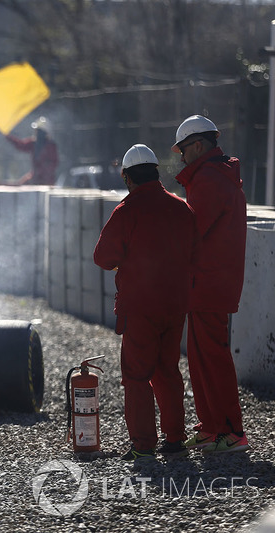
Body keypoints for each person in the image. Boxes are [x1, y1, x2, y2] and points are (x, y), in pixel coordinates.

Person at [94, 144, 198, 461]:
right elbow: (196, 252)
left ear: (127, 177)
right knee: (168, 370)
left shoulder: (127, 211)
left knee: (137, 375)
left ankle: (143, 444)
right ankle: (176, 439)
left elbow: (103, 257)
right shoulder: (182, 208)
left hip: (140, 306)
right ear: (156, 172)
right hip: (176, 303)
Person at [171, 115, 249, 453]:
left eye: (184, 151)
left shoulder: (209, 179)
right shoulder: (214, 176)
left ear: (198, 146)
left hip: (209, 282)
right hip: (209, 282)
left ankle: (231, 431)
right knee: (201, 357)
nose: (182, 158)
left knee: (211, 357)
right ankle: (211, 426)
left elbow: (190, 233)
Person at [5, 116, 59, 185]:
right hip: (35, 177)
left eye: (39, 131)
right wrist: (9, 137)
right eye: (37, 130)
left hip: (47, 180)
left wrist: (42, 173)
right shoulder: (33, 143)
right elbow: (21, 145)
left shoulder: (51, 147)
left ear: (45, 133)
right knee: (19, 185)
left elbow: (53, 164)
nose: (37, 133)